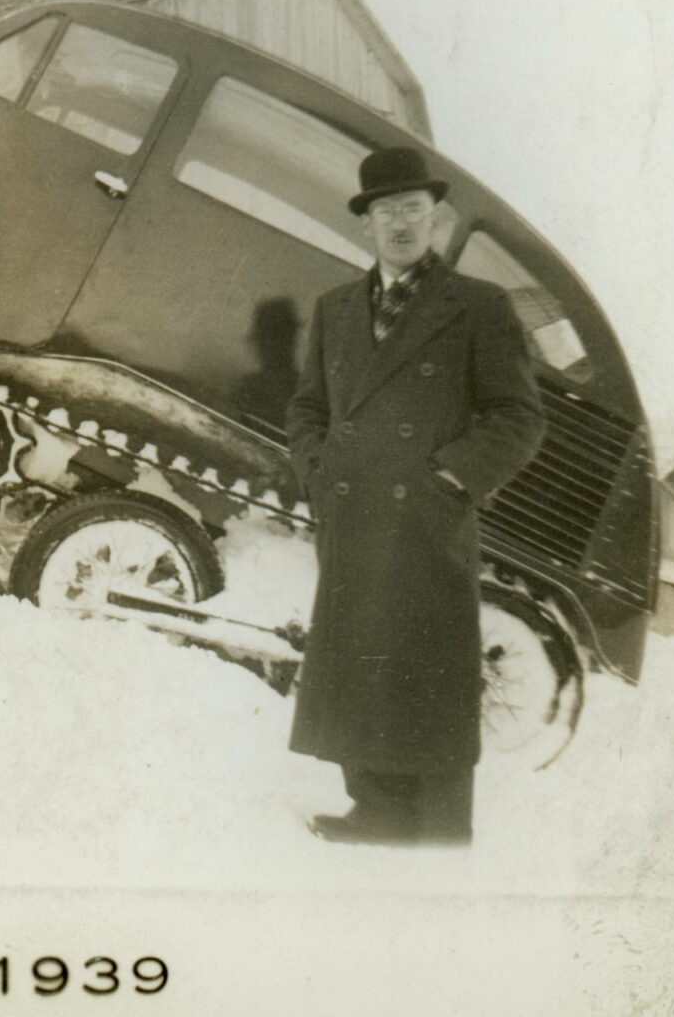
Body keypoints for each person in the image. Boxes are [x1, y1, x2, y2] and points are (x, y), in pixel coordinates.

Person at [286, 145, 545, 847]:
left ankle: (434, 829)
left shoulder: (478, 307)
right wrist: (317, 467)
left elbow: (520, 417)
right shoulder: (336, 308)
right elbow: (307, 406)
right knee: (360, 659)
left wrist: (451, 477)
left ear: (434, 220)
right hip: (353, 515)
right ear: (365, 224)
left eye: (413, 210)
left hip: (426, 523)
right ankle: (373, 805)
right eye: (386, 211)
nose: (400, 224)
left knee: (427, 667)